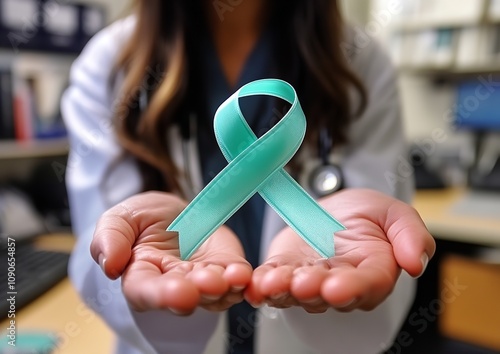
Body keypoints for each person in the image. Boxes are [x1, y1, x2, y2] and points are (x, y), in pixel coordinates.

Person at [61, 1, 436, 353]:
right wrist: (158, 284)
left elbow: (375, 264)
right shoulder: (111, 61)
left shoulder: (361, 59)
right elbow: (99, 250)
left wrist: (330, 262)